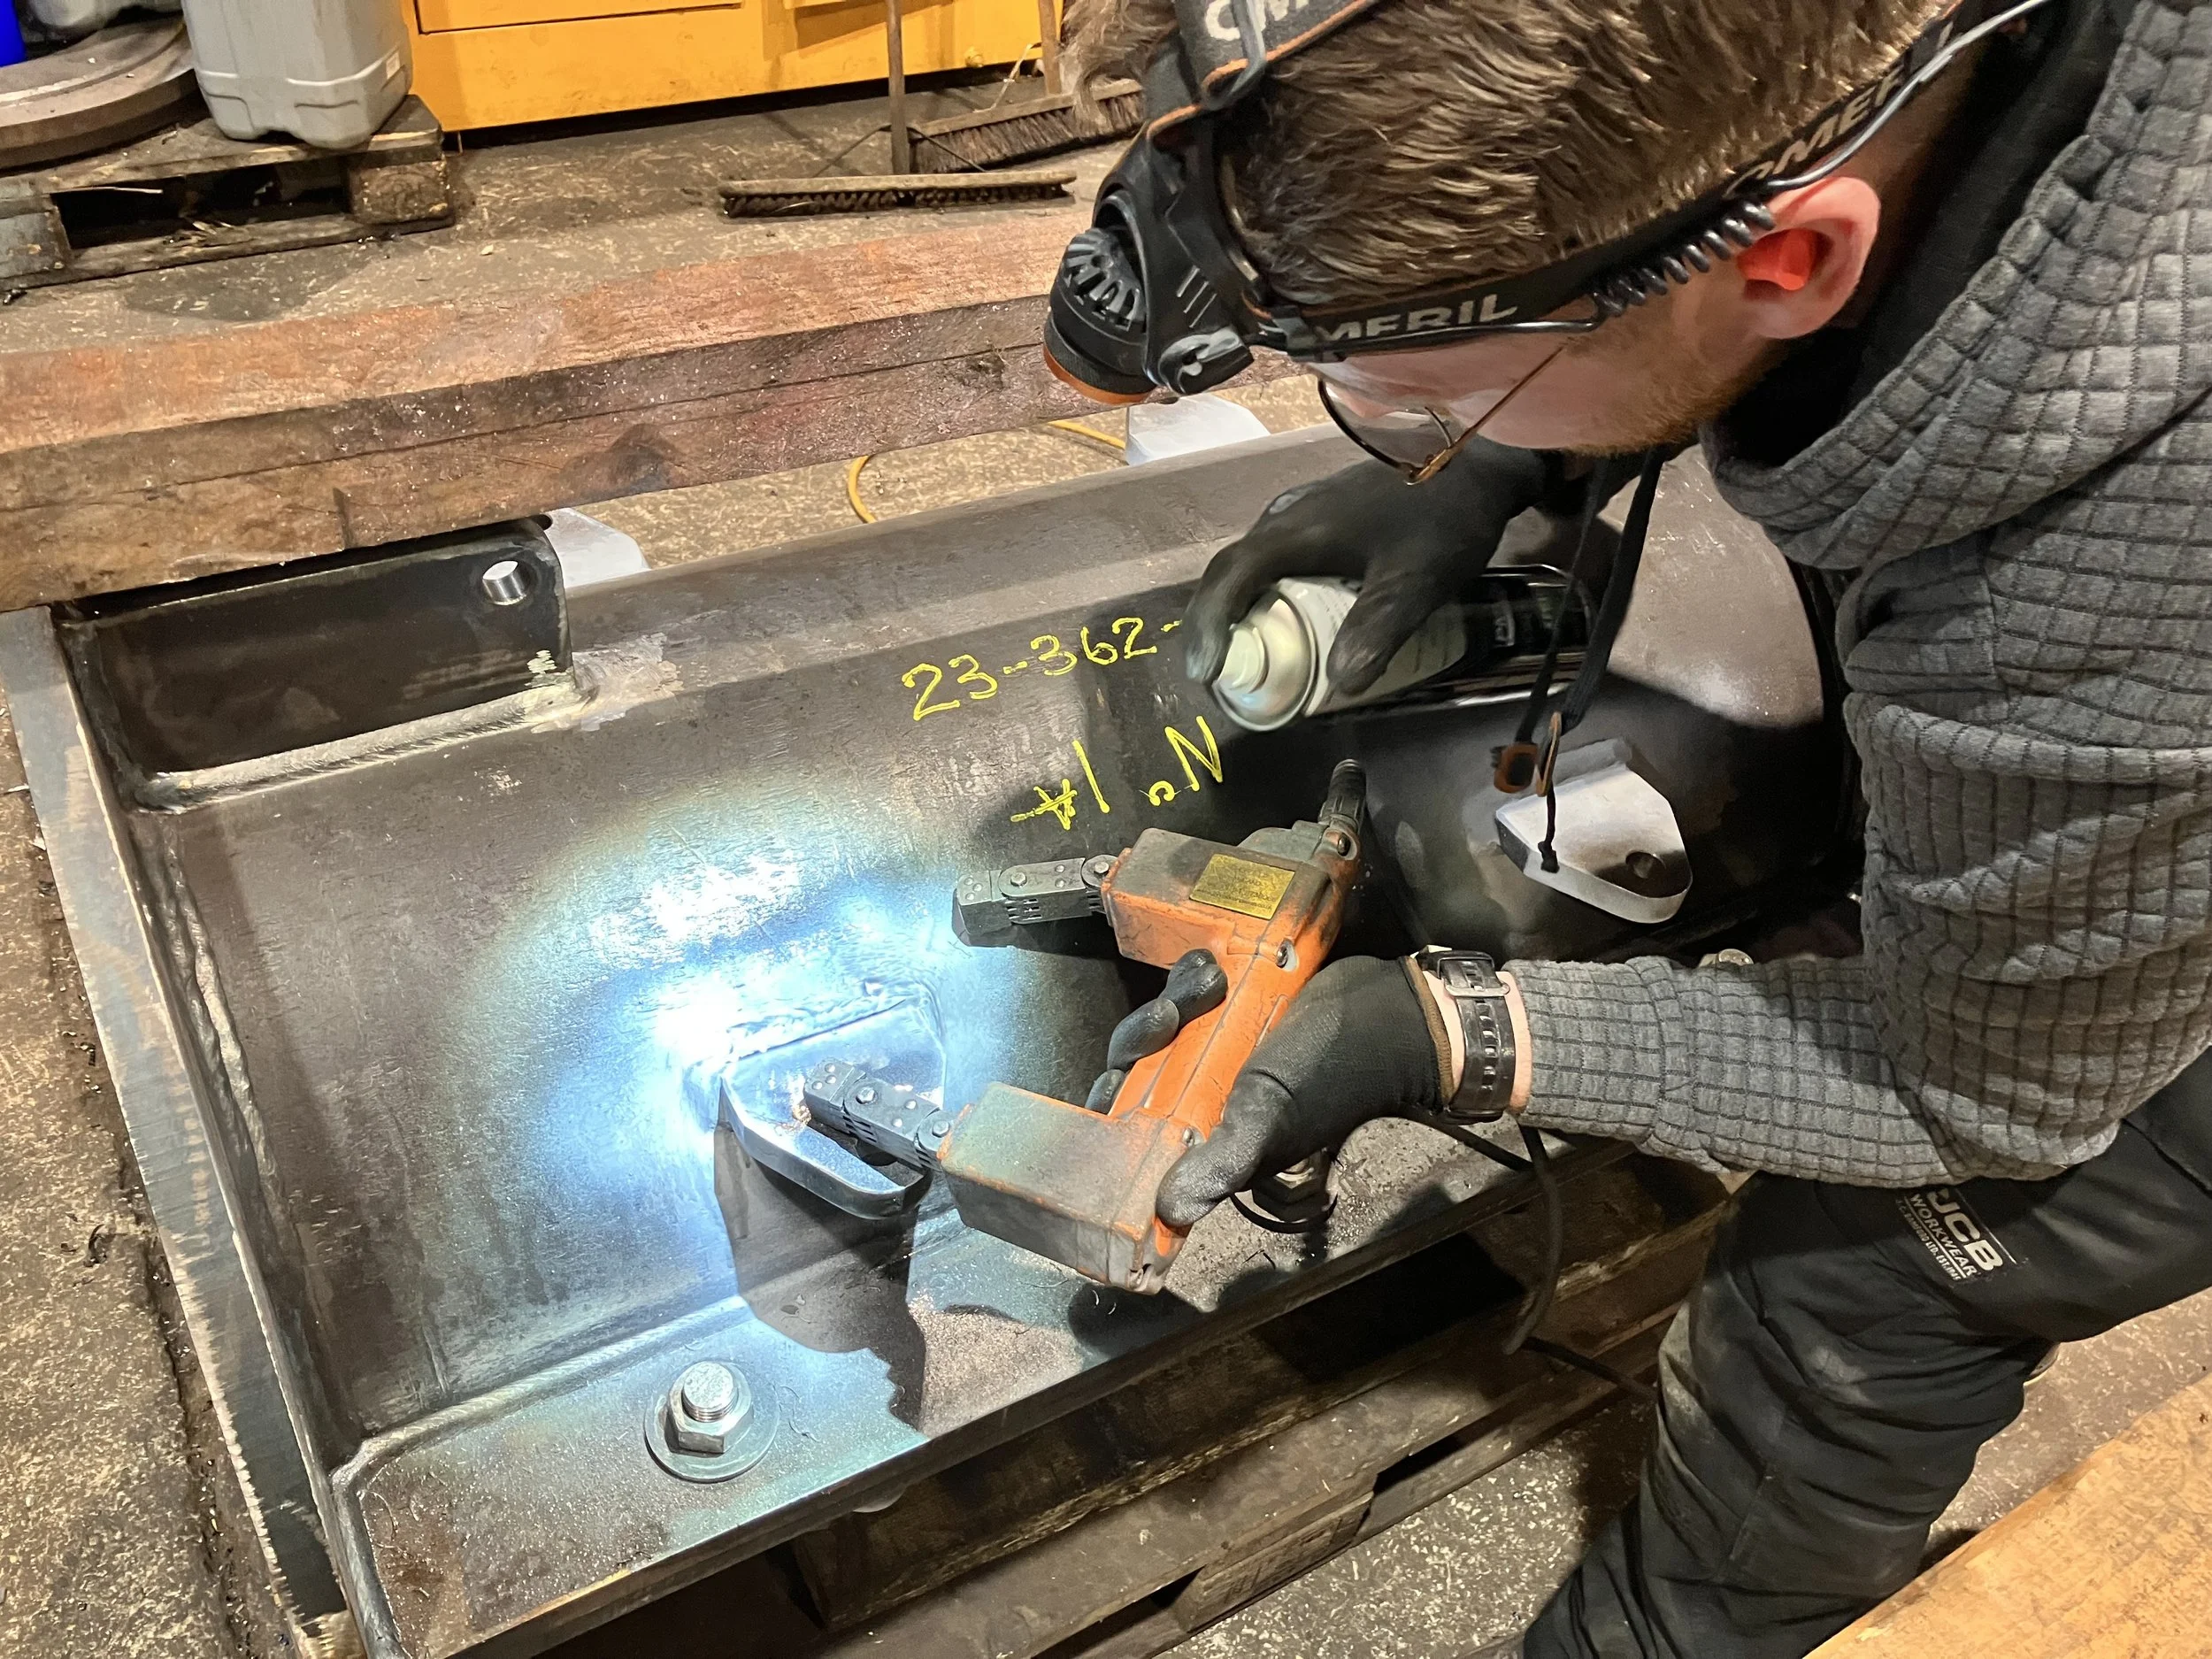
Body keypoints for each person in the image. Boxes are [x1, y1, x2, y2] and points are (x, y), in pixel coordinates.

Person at [1055, 0, 2212, 1654]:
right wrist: (1506, 460)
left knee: (1864, 1270)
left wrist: (1447, 1028)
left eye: (1420, 394)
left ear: (1792, 259)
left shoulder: (2107, 605)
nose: (1413, 425)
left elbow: (1982, 1085)